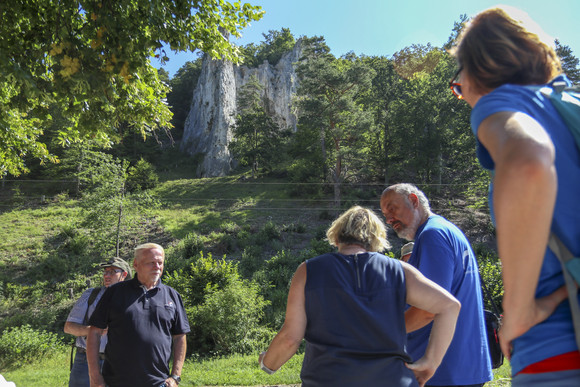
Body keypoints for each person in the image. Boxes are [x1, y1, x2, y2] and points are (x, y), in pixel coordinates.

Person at [450, 6, 579, 386]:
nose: (465, 98)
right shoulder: (572, 107)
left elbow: (528, 162)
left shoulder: (506, 103)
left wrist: (518, 312)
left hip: (559, 353)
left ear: (478, 73)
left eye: (459, 86)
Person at [258, 205, 460, 387]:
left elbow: (290, 338)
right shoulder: (400, 270)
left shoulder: (308, 270)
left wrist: (268, 364)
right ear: (376, 239)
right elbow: (450, 306)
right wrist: (430, 363)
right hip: (392, 380)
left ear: (336, 237)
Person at [380, 183, 493, 387]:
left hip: (443, 370)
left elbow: (427, 310)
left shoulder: (433, 236)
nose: (388, 219)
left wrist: (379, 334)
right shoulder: (446, 230)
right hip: (461, 366)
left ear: (414, 201)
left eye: (392, 208)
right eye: (385, 213)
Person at [87, 243, 190, 387]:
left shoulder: (172, 295)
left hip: (159, 383)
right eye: (151, 263)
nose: (157, 267)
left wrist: (175, 376)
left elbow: (180, 336)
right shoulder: (115, 293)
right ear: (136, 264)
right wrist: (95, 376)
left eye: (160, 263)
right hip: (117, 382)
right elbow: (94, 332)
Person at [64, 257, 131, 387]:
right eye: (105, 272)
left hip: (119, 363)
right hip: (85, 362)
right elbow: (69, 327)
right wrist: (94, 330)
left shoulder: (134, 299)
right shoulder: (91, 295)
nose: (106, 275)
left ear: (124, 274)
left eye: (112, 272)